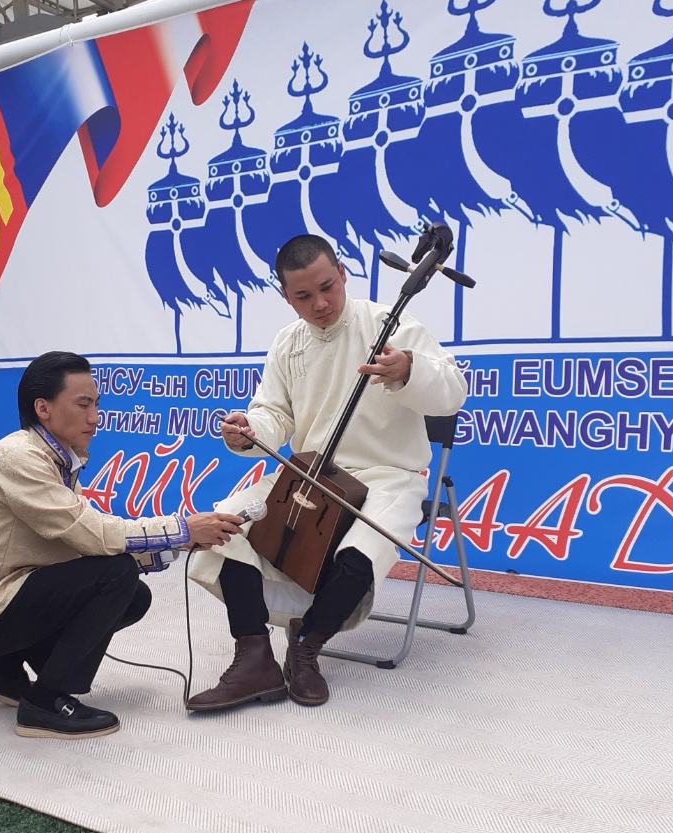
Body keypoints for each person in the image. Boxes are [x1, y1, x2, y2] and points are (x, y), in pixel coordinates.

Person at [187, 233, 468, 710]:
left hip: (388, 473)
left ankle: (306, 646)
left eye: (326, 287)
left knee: (364, 546)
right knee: (226, 525)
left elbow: (452, 391)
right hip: (311, 474)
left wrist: (408, 370)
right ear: (285, 296)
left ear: (342, 273)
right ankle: (253, 655)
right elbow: (273, 415)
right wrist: (249, 431)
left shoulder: (389, 323)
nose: (319, 303)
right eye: (303, 296)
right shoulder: (288, 343)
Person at [0, 350, 245, 739]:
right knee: (116, 575)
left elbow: (84, 544)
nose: (95, 417)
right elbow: (91, 534)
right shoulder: (19, 458)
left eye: (96, 404)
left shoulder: (55, 458)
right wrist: (181, 528)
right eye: (83, 404)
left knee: (133, 595)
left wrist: (181, 542)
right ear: (43, 408)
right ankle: (46, 702)